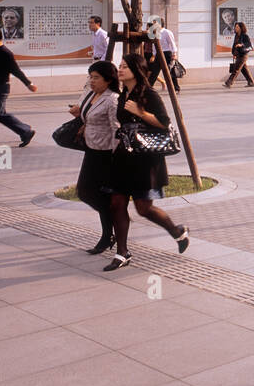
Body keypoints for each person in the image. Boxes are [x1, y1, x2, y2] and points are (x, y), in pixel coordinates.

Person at [102, 53, 189, 271]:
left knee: (143, 208)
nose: (120, 70)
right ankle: (122, 252)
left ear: (135, 70)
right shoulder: (124, 93)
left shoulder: (148, 93)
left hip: (145, 158)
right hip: (124, 155)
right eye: (119, 66)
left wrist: (141, 112)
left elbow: (164, 123)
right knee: (116, 203)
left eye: (124, 67)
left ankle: (176, 230)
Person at [70, 60, 120, 256]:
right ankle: (111, 223)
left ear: (108, 79)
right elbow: (86, 115)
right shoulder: (91, 94)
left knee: (95, 192)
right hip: (91, 149)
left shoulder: (112, 99)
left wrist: (118, 157)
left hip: (106, 153)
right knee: (84, 191)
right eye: (90, 76)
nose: (92, 81)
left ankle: (108, 233)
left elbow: (116, 129)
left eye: (96, 77)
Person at [146, 18, 180, 93]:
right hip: (158, 54)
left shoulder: (167, 32)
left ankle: (176, 88)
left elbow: (172, 43)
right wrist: (154, 55)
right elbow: (154, 45)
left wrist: (174, 54)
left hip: (167, 53)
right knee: (154, 71)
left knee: (170, 71)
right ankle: (148, 88)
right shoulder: (154, 33)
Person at [223, 22, 254, 88]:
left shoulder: (245, 36)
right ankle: (251, 82)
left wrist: (241, 45)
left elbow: (248, 44)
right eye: (235, 27)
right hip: (238, 54)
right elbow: (234, 45)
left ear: (241, 28)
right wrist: (234, 53)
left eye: (237, 27)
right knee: (244, 70)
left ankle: (229, 82)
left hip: (243, 55)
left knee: (236, 69)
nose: (236, 28)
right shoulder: (237, 35)